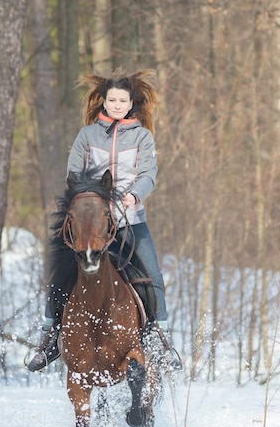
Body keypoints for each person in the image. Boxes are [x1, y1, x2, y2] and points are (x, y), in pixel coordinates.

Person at [26, 69, 181, 372]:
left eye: (123, 100)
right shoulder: (87, 135)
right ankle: (50, 336)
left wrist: (133, 195)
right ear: (104, 102)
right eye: (112, 100)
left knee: (152, 274)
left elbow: (149, 174)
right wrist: (93, 198)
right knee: (62, 272)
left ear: (131, 101)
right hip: (89, 221)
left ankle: (159, 339)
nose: (117, 105)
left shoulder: (142, 136)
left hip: (130, 219)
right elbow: (73, 173)